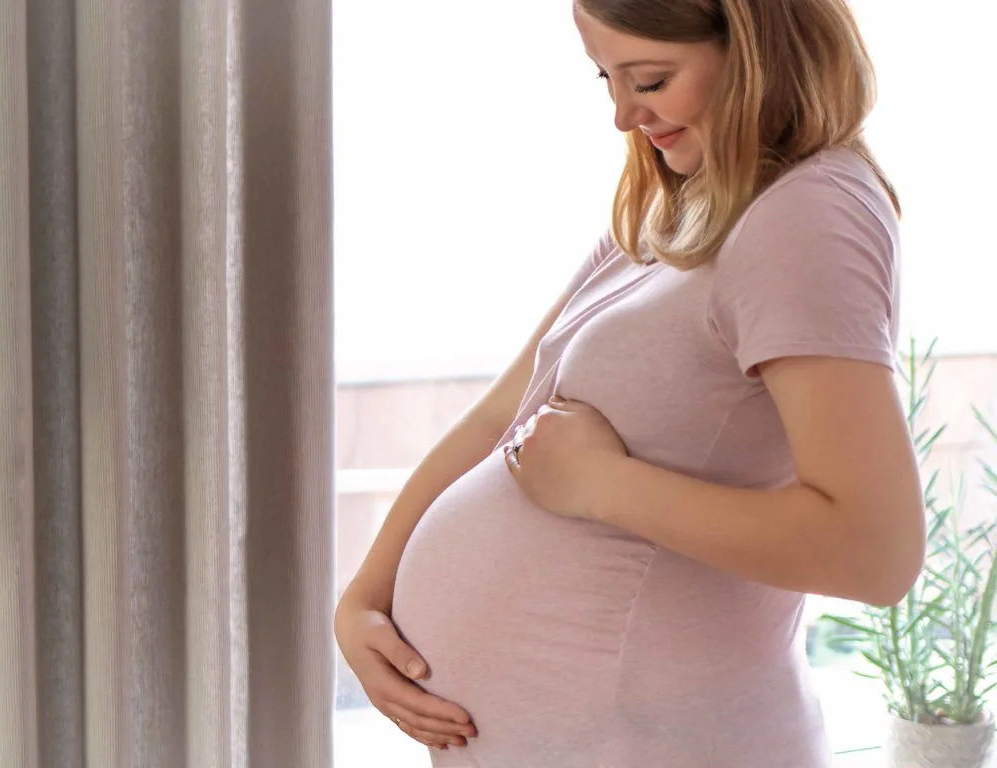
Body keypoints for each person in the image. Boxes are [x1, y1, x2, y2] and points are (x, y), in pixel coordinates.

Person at [334, 1, 926, 765]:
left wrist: (602, 486)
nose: (621, 114)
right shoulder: (680, 201)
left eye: (649, 78)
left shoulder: (807, 216)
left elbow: (874, 553)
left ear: (758, 46)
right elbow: (500, 419)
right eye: (605, 78)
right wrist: (365, 599)